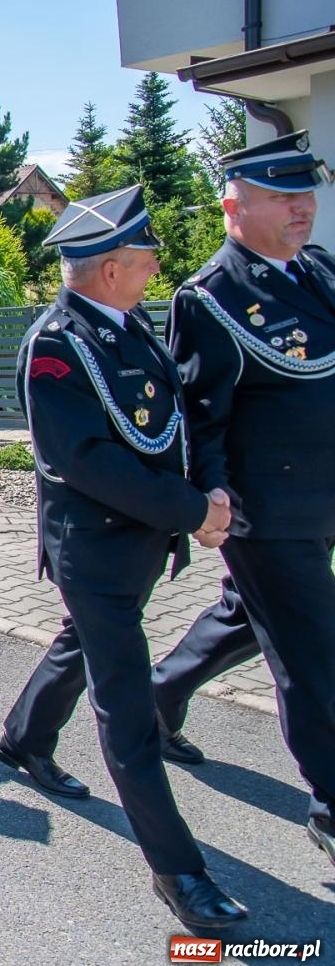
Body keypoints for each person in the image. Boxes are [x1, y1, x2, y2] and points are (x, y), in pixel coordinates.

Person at [0, 185, 245, 927]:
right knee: (127, 704)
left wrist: (209, 494)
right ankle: (178, 870)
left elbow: (173, 422)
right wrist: (194, 511)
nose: (156, 268)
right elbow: (86, 459)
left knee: (81, 641)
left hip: (142, 541)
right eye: (146, 258)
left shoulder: (131, 326)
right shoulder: (56, 344)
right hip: (97, 549)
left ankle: (23, 737)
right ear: (110, 267)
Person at [156, 130, 335, 868]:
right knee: (314, 654)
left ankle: (159, 694)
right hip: (268, 511)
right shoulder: (211, 297)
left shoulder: (317, 271)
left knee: (246, 615)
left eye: (308, 192)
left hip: (321, 499)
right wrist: (211, 497)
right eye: (284, 196)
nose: (304, 207)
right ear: (235, 206)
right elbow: (199, 411)